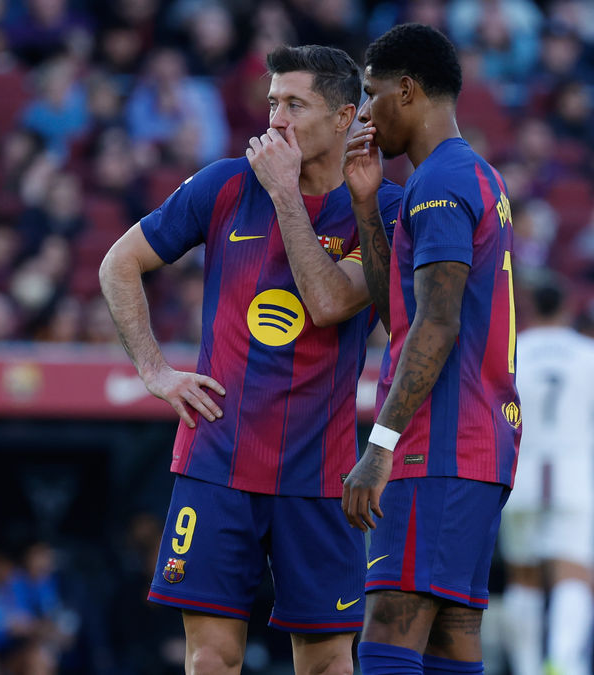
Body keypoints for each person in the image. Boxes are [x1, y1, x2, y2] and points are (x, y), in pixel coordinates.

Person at [99, 44, 402, 675]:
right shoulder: (225, 184)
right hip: (217, 463)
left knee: (327, 661)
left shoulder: (381, 208)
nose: (276, 120)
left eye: (296, 104)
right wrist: (154, 369)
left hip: (321, 475)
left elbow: (328, 303)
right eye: (272, 103)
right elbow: (119, 263)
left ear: (344, 117)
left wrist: (286, 194)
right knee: (211, 657)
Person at [341, 23, 521, 675]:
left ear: (407, 90)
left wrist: (379, 447)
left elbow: (435, 326)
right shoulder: (472, 175)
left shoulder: (440, 182)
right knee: (451, 637)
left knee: (388, 627)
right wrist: (367, 206)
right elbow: (403, 318)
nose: (364, 113)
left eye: (371, 93)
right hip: (478, 444)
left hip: (437, 443)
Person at [498, 280, 594, 675]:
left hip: (522, 475)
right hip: (574, 477)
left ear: (532, 307)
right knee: (575, 572)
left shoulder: (512, 348)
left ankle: (527, 668)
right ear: (568, 308)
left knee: (523, 576)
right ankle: (563, 663)